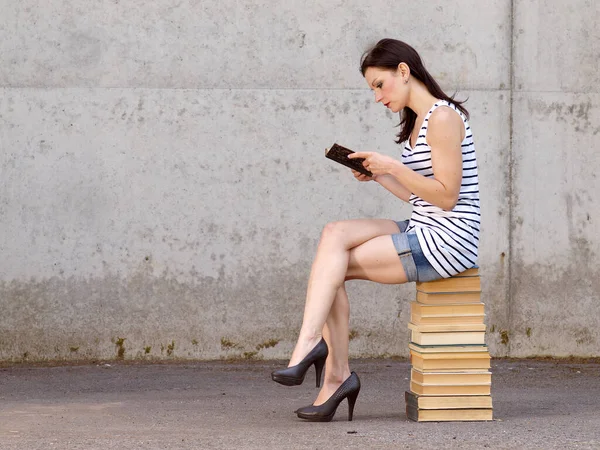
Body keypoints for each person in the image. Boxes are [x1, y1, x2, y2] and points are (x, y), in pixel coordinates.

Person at [271, 38, 480, 422]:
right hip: (424, 224)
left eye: (378, 84)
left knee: (333, 266)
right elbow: (418, 196)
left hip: (448, 240)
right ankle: (318, 356)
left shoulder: (444, 117)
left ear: (403, 71)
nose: (377, 96)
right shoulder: (419, 121)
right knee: (334, 235)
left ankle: (327, 366)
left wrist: (393, 167)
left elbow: (447, 197)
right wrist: (378, 176)